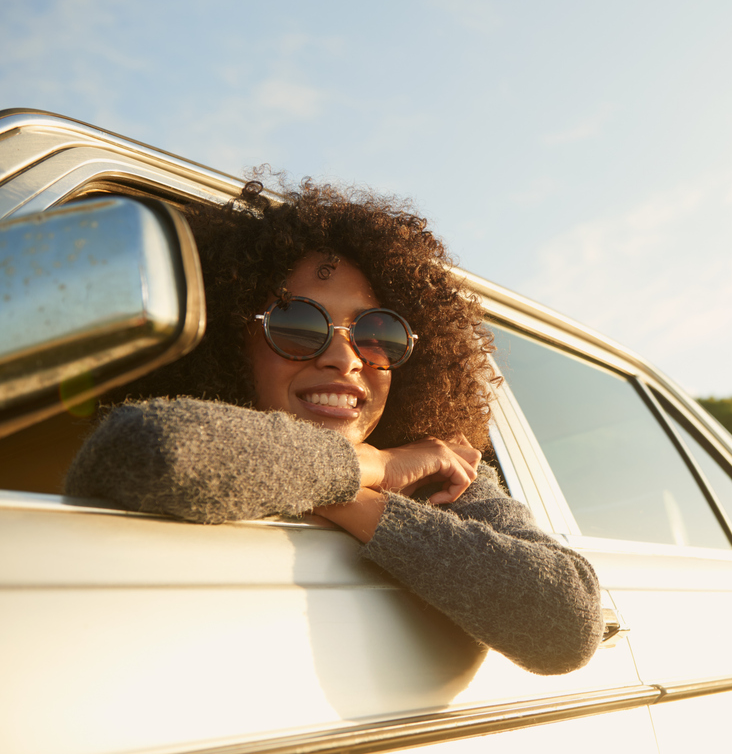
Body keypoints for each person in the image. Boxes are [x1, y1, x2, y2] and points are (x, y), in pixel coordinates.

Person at [64, 177, 603, 676]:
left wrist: (362, 499)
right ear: (232, 340)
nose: (345, 359)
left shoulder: (443, 480)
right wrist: (376, 466)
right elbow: (151, 448)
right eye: (299, 325)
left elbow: (569, 623)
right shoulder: (403, 463)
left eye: (378, 334)